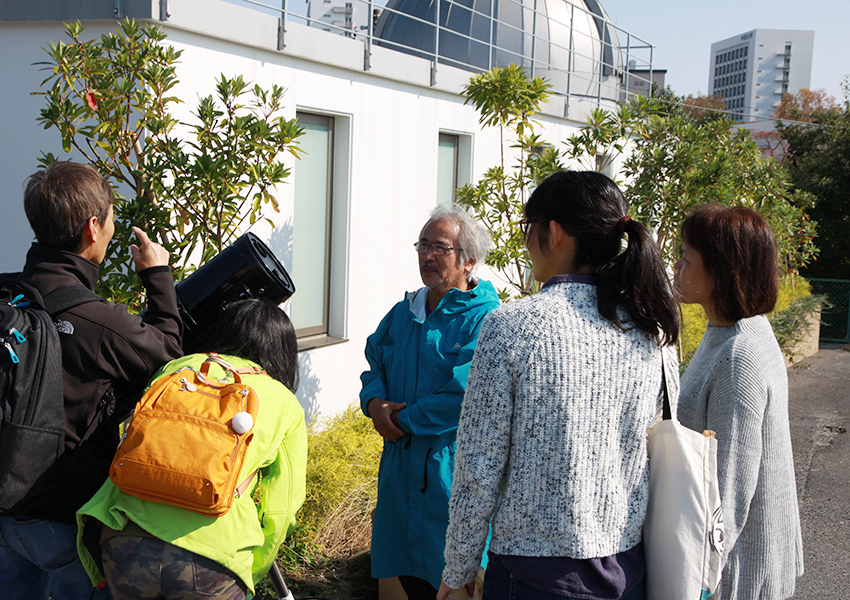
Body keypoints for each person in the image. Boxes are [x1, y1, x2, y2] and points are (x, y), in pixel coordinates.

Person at [439, 171, 681, 600]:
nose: (526, 241)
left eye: (528, 228)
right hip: (628, 571)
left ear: (552, 233)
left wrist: (458, 572)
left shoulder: (512, 328)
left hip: (531, 577)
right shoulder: (652, 329)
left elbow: (478, 468)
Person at [0, 161, 183, 600]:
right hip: (66, 519)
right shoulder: (98, 320)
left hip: (5, 510)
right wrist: (158, 276)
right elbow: (170, 361)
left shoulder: (7, 297)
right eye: (112, 220)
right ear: (92, 226)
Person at [76, 299, 308, 600]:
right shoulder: (283, 401)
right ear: (283, 352)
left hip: (124, 539)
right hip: (212, 560)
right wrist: (251, 569)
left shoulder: (178, 368)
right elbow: (283, 508)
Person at [360, 204, 500, 598]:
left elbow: (464, 394)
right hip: (399, 472)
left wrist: (400, 421)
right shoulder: (404, 312)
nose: (427, 255)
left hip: (449, 473)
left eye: (440, 247)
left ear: (468, 260)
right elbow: (374, 365)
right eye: (422, 245)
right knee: (407, 578)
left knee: (453, 576)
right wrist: (374, 405)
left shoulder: (484, 318)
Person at [673, 205, 804, 600]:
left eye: (686, 258)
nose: (676, 267)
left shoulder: (738, 356)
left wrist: (696, 582)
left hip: (735, 575)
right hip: (739, 562)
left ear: (721, 271)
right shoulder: (732, 330)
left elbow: (729, 486)